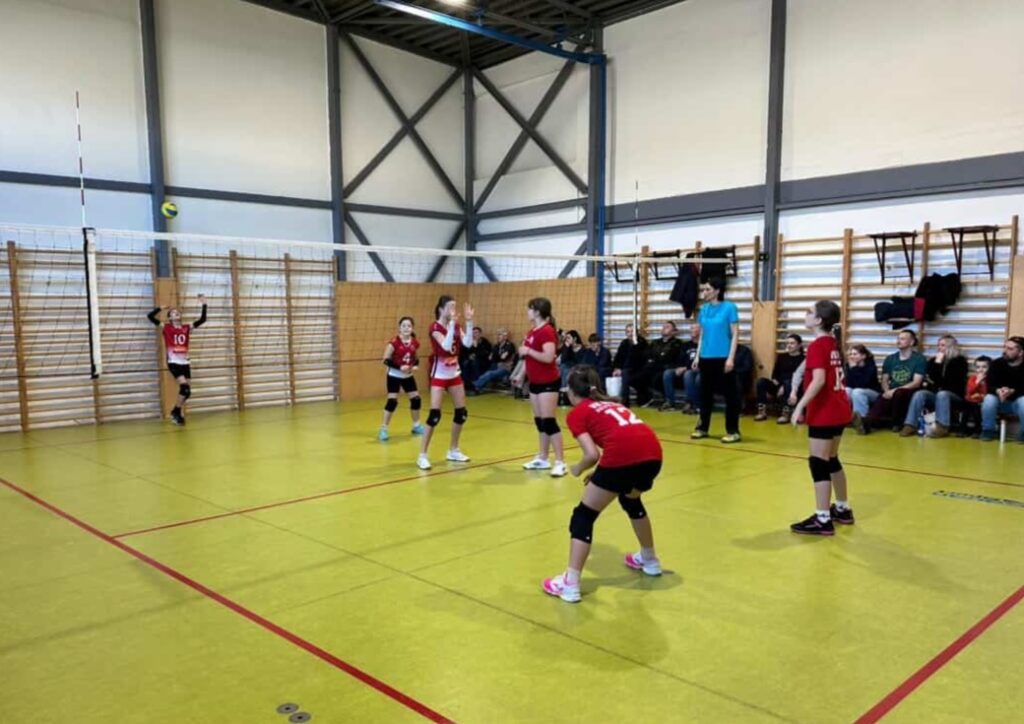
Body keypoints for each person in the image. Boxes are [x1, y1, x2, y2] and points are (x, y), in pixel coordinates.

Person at [541, 365, 663, 603]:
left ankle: (570, 584)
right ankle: (650, 560)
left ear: (570, 391)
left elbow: (592, 454)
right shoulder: (612, 404)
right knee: (631, 500)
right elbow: (622, 438)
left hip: (623, 459)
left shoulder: (577, 413)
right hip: (653, 456)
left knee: (583, 516)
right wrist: (600, 474)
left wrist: (577, 468)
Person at [789, 301, 853, 536]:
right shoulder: (832, 343)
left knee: (818, 462)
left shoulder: (817, 345)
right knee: (832, 459)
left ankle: (822, 518)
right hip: (839, 409)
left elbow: (818, 381)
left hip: (824, 412)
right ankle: (843, 509)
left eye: (809, 312)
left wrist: (799, 407)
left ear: (818, 320)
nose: (805, 314)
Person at [417, 296, 474, 470]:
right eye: (450, 307)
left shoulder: (455, 325)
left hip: (454, 373)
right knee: (434, 415)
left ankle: (453, 450)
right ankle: (422, 455)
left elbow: (468, 343)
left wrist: (469, 322)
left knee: (461, 413)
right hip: (439, 374)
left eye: (455, 307)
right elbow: (446, 347)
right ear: (441, 309)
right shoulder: (434, 328)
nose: (453, 310)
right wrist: (451, 325)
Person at [513, 298, 567, 476]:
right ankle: (543, 458)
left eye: (529, 309)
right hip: (535, 382)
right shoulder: (531, 332)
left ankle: (560, 462)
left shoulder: (547, 331)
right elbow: (529, 360)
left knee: (549, 422)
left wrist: (528, 350)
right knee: (540, 422)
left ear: (537, 311)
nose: (527, 312)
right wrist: (521, 375)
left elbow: (549, 357)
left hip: (548, 382)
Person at [691, 277, 741, 443]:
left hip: (723, 358)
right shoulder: (704, 309)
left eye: (707, 289)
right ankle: (702, 428)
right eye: (703, 289)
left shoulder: (729, 308)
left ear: (717, 291)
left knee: (731, 396)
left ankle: (733, 431)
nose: (704, 292)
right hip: (706, 357)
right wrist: (697, 355)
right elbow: (702, 334)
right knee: (705, 395)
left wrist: (731, 358)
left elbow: (735, 334)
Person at [147, 294, 207, 425]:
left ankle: (176, 411)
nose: (176, 313)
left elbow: (203, 319)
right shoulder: (166, 327)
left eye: (177, 312)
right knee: (184, 388)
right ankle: (176, 412)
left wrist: (204, 303)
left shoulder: (187, 327)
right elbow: (150, 316)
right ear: (170, 318)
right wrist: (160, 308)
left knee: (187, 392)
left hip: (185, 362)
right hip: (173, 362)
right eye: (173, 313)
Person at [902, 334, 968, 438]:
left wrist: (939, 365)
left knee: (942, 394)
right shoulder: (934, 361)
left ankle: (942, 426)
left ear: (950, 347)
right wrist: (937, 364)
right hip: (936, 393)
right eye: (938, 345)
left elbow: (952, 382)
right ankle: (910, 424)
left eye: (942, 345)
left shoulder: (960, 361)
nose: (939, 348)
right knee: (920, 394)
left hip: (954, 395)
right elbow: (933, 380)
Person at [866, 329, 926, 432]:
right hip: (892, 390)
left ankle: (896, 424)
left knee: (899, 393)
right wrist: (887, 391)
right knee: (883, 397)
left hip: (909, 391)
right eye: (898, 338)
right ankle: (867, 422)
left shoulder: (919, 359)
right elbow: (884, 379)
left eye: (902, 339)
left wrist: (894, 391)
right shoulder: (890, 358)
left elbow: (916, 382)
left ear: (911, 342)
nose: (898, 341)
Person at [378, 316, 424, 441]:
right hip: (394, 375)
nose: (406, 328)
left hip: (407, 375)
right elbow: (385, 360)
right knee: (392, 402)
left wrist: (415, 366)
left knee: (416, 400)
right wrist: (400, 367)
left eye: (409, 326)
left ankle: (416, 426)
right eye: (403, 326)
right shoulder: (394, 342)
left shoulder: (414, 342)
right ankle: (383, 429)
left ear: (412, 328)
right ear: (399, 328)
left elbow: (416, 358)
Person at [628, 321, 683, 410]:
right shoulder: (655, 342)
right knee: (632, 378)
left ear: (673, 331)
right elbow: (647, 354)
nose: (664, 328)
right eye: (663, 326)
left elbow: (671, 357)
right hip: (651, 367)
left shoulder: (677, 343)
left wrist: (657, 359)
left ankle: (667, 400)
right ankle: (647, 396)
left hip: (665, 368)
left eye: (667, 327)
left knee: (656, 379)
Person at [980, 336, 1024, 442]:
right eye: (1005, 347)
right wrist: (998, 391)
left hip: (1017, 403)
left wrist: (1012, 391)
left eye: (1010, 349)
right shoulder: (996, 364)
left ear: (1021, 352)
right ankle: (988, 430)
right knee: (989, 399)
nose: (1005, 351)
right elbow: (989, 386)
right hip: (999, 400)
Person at [754, 334, 804, 423]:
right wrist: (778, 384)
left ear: (799, 345)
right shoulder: (782, 357)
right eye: (787, 343)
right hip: (780, 385)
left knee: (788, 383)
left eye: (792, 343)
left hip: (794, 387)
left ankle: (786, 413)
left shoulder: (803, 359)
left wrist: (784, 386)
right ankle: (762, 411)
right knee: (761, 382)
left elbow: (800, 376)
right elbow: (775, 374)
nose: (789, 345)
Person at [663, 324, 701, 413]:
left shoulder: (705, 344)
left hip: (698, 370)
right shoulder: (686, 345)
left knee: (688, 374)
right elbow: (680, 360)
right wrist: (679, 367)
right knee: (668, 373)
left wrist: (686, 368)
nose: (691, 330)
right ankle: (670, 402)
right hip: (686, 368)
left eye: (694, 328)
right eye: (691, 328)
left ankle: (691, 403)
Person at [844, 344, 881, 434]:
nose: (852, 356)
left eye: (855, 354)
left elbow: (864, 384)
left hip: (873, 392)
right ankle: (846, 419)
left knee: (857, 392)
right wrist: (852, 369)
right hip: (857, 391)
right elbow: (849, 384)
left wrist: (854, 369)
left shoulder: (870, 366)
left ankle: (863, 422)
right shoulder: (849, 366)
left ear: (863, 356)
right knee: (846, 391)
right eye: (851, 354)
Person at [610, 324, 648, 407]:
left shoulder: (642, 343)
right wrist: (617, 368)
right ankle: (611, 398)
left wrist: (635, 345)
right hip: (625, 369)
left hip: (638, 370)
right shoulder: (624, 343)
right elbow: (618, 357)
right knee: (609, 372)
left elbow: (639, 360)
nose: (630, 334)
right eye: (628, 332)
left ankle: (625, 401)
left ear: (636, 333)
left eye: (632, 332)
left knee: (625, 374)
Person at [472, 328, 516, 393]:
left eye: (500, 335)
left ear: (505, 337)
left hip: (505, 368)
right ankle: (476, 387)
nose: (498, 336)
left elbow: (503, 358)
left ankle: (474, 386)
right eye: (497, 335)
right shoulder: (497, 345)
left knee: (489, 373)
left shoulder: (510, 346)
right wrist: (498, 356)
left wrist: (496, 356)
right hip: (495, 365)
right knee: (482, 369)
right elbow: (490, 358)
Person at [959, 356, 990, 437]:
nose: (981, 369)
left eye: (984, 367)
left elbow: (987, 392)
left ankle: (977, 429)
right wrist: (977, 381)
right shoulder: (972, 378)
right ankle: (963, 429)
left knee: (977, 411)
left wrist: (981, 396)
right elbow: (969, 391)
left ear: (989, 368)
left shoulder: (989, 379)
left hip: (981, 402)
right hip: (969, 401)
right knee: (966, 410)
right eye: (978, 367)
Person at [558, 330, 585, 404]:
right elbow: (563, 360)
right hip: (568, 368)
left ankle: (563, 394)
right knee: (563, 367)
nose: (567, 340)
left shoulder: (582, 349)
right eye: (566, 338)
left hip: (578, 368)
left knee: (565, 369)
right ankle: (563, 392)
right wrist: (566, 347)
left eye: (569, 338)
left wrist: (573, 367)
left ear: (575, 339)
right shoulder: (568, 348)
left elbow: (582, 363)